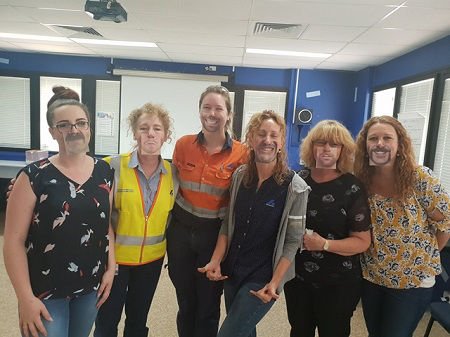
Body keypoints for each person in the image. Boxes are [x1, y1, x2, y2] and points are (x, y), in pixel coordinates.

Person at [3, 98, 115, 337]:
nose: (74, 130)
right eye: (64, 125)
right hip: (45, 290)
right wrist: (24, 298)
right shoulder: (33, 176)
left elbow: (105, 226)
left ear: (89, 129)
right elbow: (13, 241)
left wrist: (110, 267)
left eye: (81, 123)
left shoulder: (105, 172)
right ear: (53, 132)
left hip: (89, 285)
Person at [199, 110, 310, 337]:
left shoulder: (295, 187)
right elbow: (228, 225)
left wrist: (275, 282)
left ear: (280, 143)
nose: (267, 140)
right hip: (233, 272)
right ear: (251, 138)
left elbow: (293, 241)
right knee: (244, 332)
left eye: (273, 135)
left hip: (263, 278)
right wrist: (216, 260)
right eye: (261, 134)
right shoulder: (240, 176)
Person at [354, 116, 450, 337]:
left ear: (399, 145)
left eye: (387, 137)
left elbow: (445, 223)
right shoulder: (362, 181)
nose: (379, 143)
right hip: (372, 277)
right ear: (365, 145)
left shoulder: (420, 178)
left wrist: (423, 258)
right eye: (373, 138)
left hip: (412, 283)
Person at [167, 85, 247, 337]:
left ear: (229, 114)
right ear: (200, 111)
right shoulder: (183, 145)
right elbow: (173, 187)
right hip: (180, 232)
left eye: (218, 108)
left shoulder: (242, 153)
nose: (212, 113)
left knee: (208, 305)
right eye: (206, 107)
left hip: (214, 235)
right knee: (185, 302)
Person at [94, 103, 178, 337]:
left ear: (166, 136)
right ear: (135, 133)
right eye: (144, 128)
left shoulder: (174, 174)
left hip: (151, 263)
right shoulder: (111, 166)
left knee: (138, 322)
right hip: (114, 263)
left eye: (157, 128)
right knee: (106, 321)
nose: (150, 133)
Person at [283, 120, 371, 337]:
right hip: (297, 279)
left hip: (338, 283)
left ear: (343, 150)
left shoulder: (352, 186)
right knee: (299, 330)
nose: (326, 149)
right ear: (311, 147)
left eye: (334, 144)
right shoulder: (297, 179)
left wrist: (324, 244)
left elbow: (362, 241)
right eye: (320, 143)